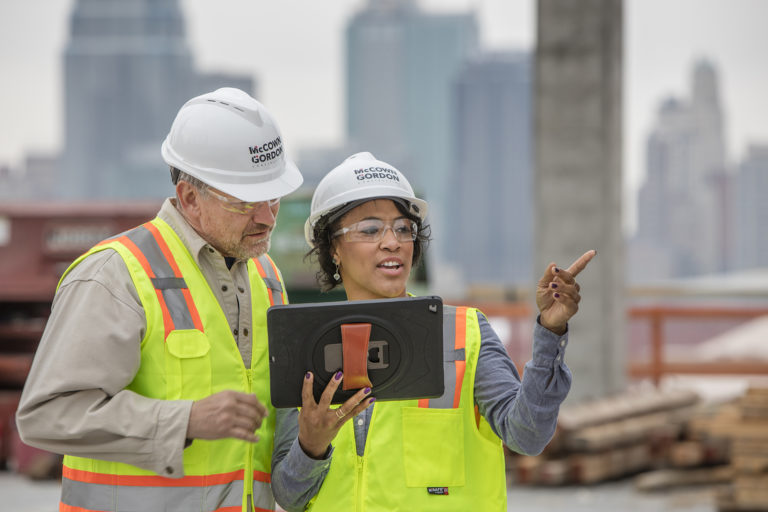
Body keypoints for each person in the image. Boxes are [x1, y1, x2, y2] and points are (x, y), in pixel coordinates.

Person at [16, 87, 303, 512]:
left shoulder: (268, 277)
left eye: (273, 197)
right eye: (245, 202)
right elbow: (45, 414)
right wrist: (184, 421)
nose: (266, 217)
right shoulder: (115, 275)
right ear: (189, 197)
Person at [270, 152, 596, 511]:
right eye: (370, 229)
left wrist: (550, 333)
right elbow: (288, 495)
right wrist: (310, 448)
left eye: (403, 228)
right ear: (333, 247)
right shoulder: (303, 344)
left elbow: (527, 435)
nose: (392, 241)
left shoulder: (464, 334)